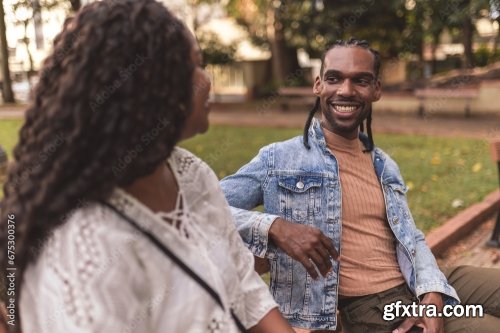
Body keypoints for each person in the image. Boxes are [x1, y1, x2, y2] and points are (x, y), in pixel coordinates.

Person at [0, 1, 296, 332]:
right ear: (147, 87)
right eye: (195, 66)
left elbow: (244, 287)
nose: (207, 80)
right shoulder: (85, 248)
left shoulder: (190, 173)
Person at [220, 39, 500, 333]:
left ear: (376, 90)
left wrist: (430, 290)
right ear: (318, 85)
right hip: (371, 305)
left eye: (360, 81)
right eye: (334, 78)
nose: (346, 90)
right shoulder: (278, 158)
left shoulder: (384, 164)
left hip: (417, 280)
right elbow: (202, 207)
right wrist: (275, 227)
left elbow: (412, 238)